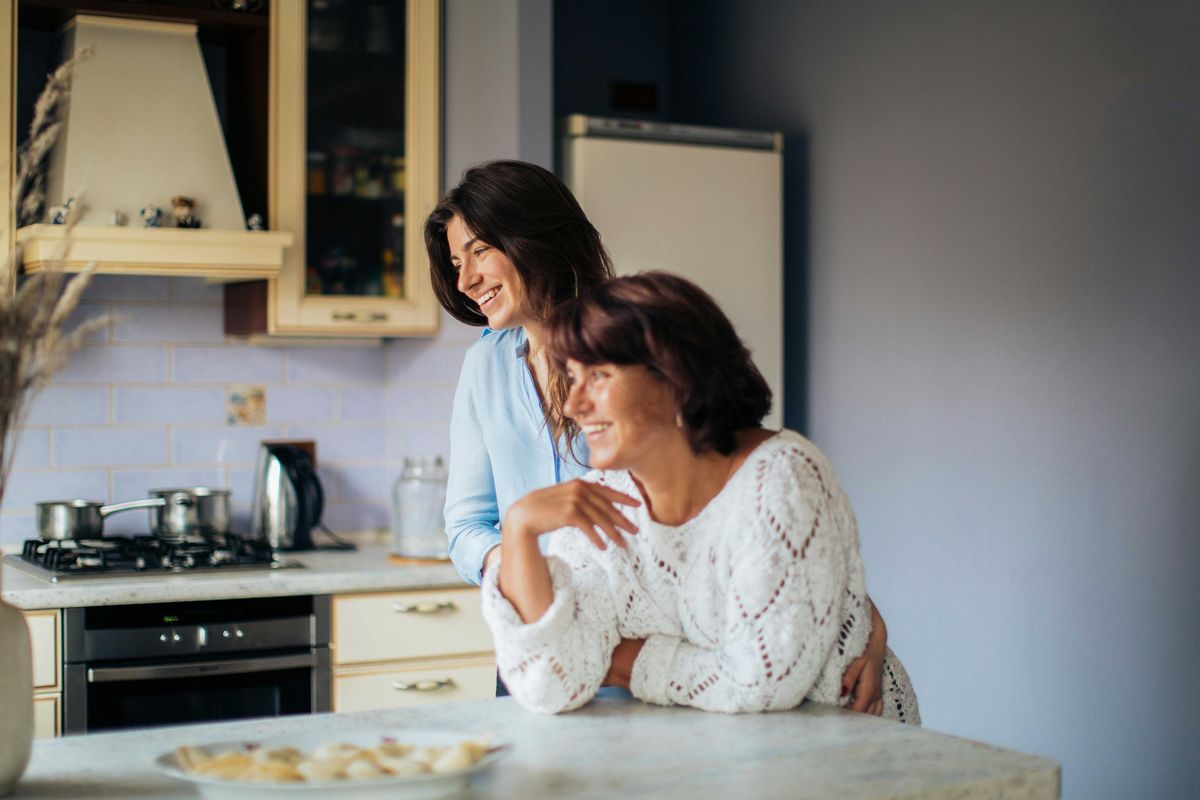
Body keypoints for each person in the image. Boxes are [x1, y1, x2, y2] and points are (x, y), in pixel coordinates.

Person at [425, 161, 890, 713]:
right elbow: (466, 525)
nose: (465, 280)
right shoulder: (486, 367)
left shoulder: (639, 332)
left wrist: (860, 620)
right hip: (552, 635)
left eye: (479, 251)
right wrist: (532, 569)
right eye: (456, 262)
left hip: (683, 648)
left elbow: (750, 505)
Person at [479, 272, 921, 720]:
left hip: (847, 760)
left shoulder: (781, 476)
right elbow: (550, 683)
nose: (573, 405)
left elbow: (762, 684)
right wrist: (519, 528)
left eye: (597, 376)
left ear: (674, 379)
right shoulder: (602, 502)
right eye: (571, 377)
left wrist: (621, 661)